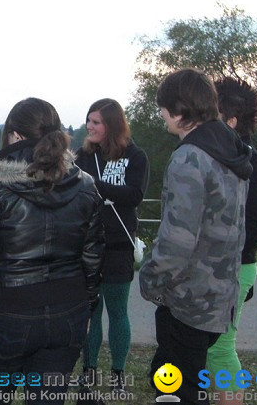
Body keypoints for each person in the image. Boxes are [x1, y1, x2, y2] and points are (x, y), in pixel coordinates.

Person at [0, 97, 104, 405]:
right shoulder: (86, 184)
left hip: (7, 314)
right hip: (67, 315)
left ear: (16, 135)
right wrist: (86, 306)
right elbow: (93, 256)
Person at [139, 69, 252, 405]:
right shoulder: (232, 149)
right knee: (189, 382)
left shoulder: (189, 157)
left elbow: (178, 240)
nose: (160, 113)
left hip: (187, 299)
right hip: (219, 295)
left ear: (178, 110)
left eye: (163, 107)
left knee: (175, 388)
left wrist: (150, 278)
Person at [73, 98, 148, 396]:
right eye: (88, 121)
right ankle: (88, 370)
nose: (89, 127)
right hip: (86, 245)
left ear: (112, 125)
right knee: (91, 310)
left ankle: (118, 373)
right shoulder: (81, 156)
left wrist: (96, 186)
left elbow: (134, 195)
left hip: (118, 245)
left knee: (117, 311)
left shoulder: (135, 156)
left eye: (96, 122)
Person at [205, 77, 257, 405]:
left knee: (219, 350)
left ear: (230, 120)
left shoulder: (247, 161)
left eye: (210, 113)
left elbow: (256, 224)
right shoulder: (215, 155)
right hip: (225, 268)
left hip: (233, 267)